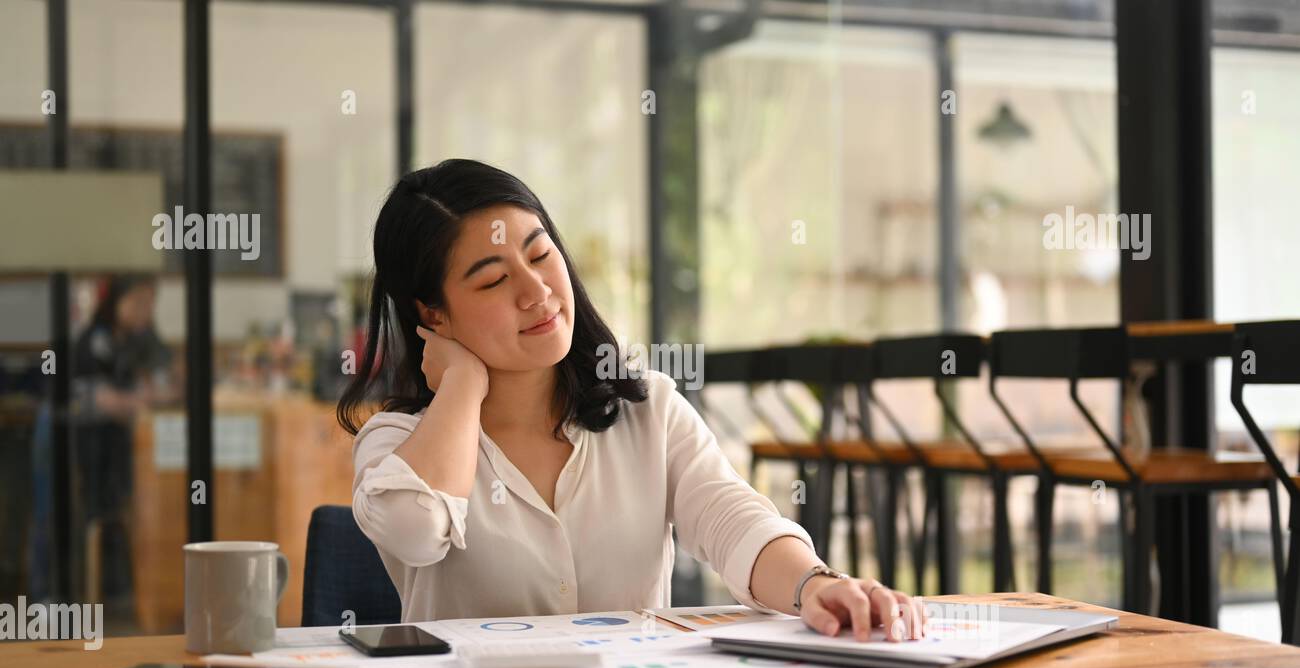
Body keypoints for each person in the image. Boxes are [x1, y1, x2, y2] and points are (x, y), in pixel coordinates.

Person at [337, 159, 927, 642]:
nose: (537, 291)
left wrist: (814, 586)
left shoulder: (647, 409)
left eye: (541, 256)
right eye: (493, 280)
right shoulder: (396, 445)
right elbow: (416, 528)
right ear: (432, 313)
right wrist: (462, 385)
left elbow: (732, 519)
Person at [71, 274, 176, 615]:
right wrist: (141, 399)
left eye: (151, 304)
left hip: (119, 446)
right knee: (89, 518)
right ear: (117, 301)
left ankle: (121, 594)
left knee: (126, 511)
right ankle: (69, 601)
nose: (146, 311)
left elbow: (169, 376)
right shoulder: (94, 340)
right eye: (139, 303)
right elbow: (101, 400)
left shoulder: (139, 339)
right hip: (85, 446)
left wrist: (154, 392)